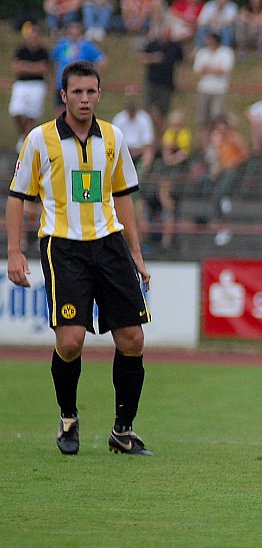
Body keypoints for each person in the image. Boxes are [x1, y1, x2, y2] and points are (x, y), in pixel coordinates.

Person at [6, 61, 153, 457]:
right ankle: (68, 417)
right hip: (63, 246)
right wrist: (15, 251)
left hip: (109, 244)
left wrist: (136, 253)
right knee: (70, 342)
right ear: (63, 96)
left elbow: (122, 194)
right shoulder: (39, 140)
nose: (85, 99)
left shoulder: (113, 137)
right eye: (77, 92)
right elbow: (18, 197)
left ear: (100, 95)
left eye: (91, 92)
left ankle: (123, 430)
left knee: (132, 338)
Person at [200, 114, 249, 246]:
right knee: (206, 181)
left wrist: (228, 164)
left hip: (233, 169)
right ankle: (217, 212)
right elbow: (216, 158)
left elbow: (243, 155)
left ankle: (224, 199)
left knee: (224, 184)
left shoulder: (235, 138)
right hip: (222, 170)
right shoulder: (217, 140)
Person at [150, 109, 192, 251]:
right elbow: (168, 153)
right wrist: (172, 158)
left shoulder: (185, 134)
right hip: (169, 174)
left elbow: (183, 154)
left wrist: (172, 159)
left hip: (179, 174)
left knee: (168, 211)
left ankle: (166, 243)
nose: (175, 127)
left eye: (178, 124)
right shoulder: (169, 133)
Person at [50, 21, 107, 117]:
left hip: (80, 86)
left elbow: (102, 61)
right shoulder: (62, 44)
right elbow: (51, 61)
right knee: (60, 112)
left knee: (78, 112)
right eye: (72, 28)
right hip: (62, 84)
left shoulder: (86, 45)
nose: (74, 31)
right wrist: (53, 78)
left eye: (76, 28)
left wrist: (95, 79)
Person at [9, 22, 50, 154]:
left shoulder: (43, 51)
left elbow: (43, 69)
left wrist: (25, 67)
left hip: (37, 85)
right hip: (22, 84)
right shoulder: (21, 50)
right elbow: (16, 67)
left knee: (32, 114)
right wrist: (34, 67)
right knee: (16, 112)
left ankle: (26, 141)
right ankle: (23, 136)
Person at [140, 23, 185, 139]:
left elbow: (181, 64)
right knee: (150, 108)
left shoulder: (175, 46)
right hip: (152, 81)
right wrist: (153, 58)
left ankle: (161, 138)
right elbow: (142, 58)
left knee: (164, 111)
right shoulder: (153, 44)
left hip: (167, 83)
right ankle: (163, 133)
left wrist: (180, 80)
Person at [193, 31, 235, 149]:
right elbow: (198, 71)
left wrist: (209, 69)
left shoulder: (226, 53)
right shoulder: (202, 53)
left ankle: (216, 147)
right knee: (204, 121)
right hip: (204, 89)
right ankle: (206, 149)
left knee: (217, 119)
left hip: (219, 90)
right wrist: (214, 69)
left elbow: (225, 70)